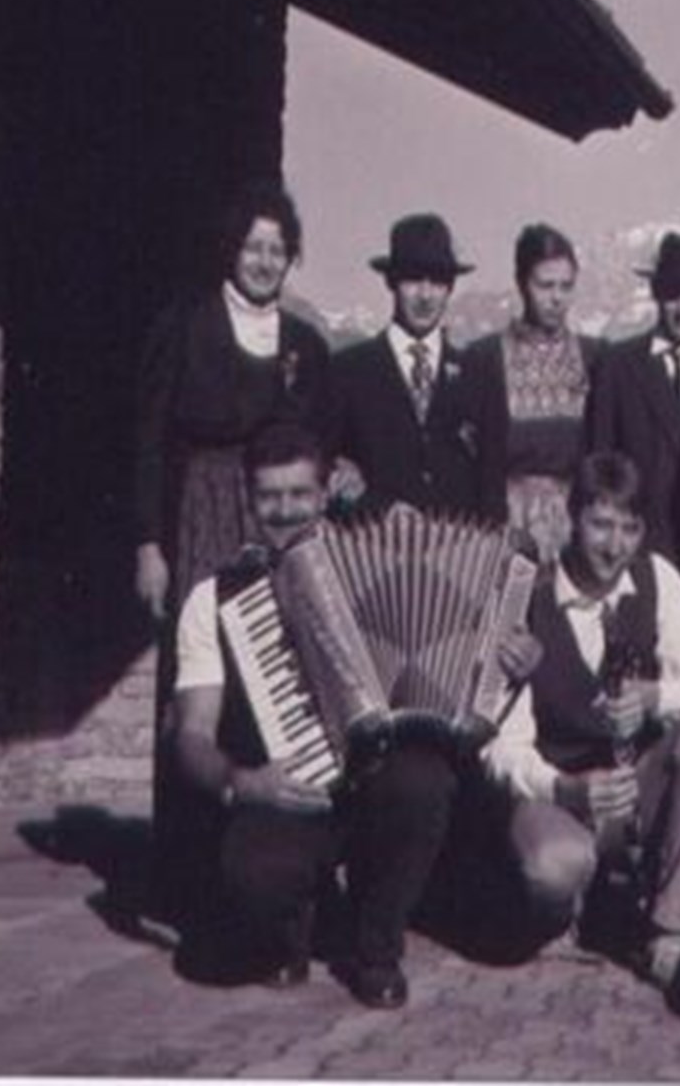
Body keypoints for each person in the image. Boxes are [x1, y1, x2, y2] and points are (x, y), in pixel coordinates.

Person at [170, 422, 503, 1009]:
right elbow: (191, 735)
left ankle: (376, 950)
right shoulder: (214, 599)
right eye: (270, 496)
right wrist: (242, 782)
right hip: (287, 789)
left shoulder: (383, 566)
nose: (285, 510)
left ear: (325, 496)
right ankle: (293, 932)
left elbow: (465, 636)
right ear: (249, 499)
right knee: (254, 873)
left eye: (300, 494)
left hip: (375, 779)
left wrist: (508, 654)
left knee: (424, 783)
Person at [133, 181, 331, 919]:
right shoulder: (185, 325)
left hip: (273, 521)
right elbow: (149, 441)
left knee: (272, 680)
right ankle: (185, 879)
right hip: (201, 516)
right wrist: (149, 543)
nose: (265, 261)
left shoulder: (304, 342)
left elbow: (318, 445)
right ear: (232, 251)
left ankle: (269, 861)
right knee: (197, 688)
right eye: (253, 247)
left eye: (278, 249)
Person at [482, 452, 680, 990]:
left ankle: (669, 928)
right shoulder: (529, 598)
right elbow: (500, 751)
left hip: (637, 787)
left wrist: (657, 697)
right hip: (560, 792)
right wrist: (566, 789)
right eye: (601, 525)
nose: (615, 547)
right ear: (571, 518)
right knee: (553, 867)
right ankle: (570, 909)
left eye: (629, 529)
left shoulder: (655, 580)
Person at [326, 213, 506, 522]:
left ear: (450, 288)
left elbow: (492, 485)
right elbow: (322, 469)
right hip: (371, 545)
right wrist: (376, 508)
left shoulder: (479, 375)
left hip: (460, 547)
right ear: (391, 282)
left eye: (437, 281)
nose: (425, 295)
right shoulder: (347, 371)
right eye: (412, 279)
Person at [586, 232, 680, 578]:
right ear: (655, 292)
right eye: (672, 295)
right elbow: (598, 466)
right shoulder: (618, 365)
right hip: (637, 555)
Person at [474, 223, 601, 561]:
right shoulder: (484, 358)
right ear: (521, 283)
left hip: (579, 528)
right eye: (545, 285)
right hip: (504, 530)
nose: (556, 298)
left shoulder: (596, 358)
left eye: (566, 286)